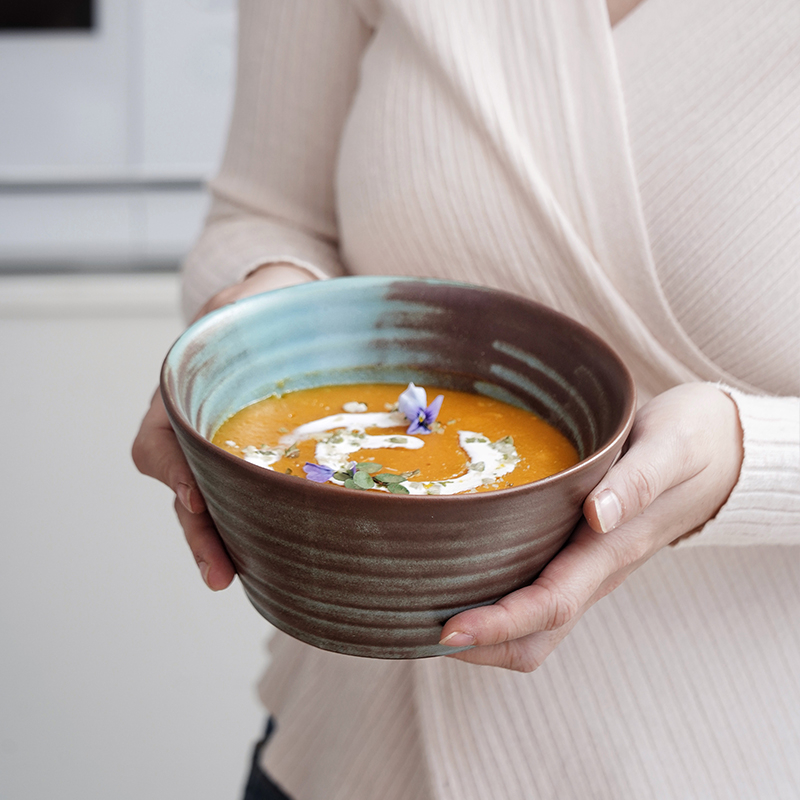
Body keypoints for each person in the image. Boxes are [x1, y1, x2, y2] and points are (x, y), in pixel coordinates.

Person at [133, 0, 800, 797]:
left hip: (724, 754)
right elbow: (264, 213)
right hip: (350, 749)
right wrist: (264, 321)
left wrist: (745, 458)